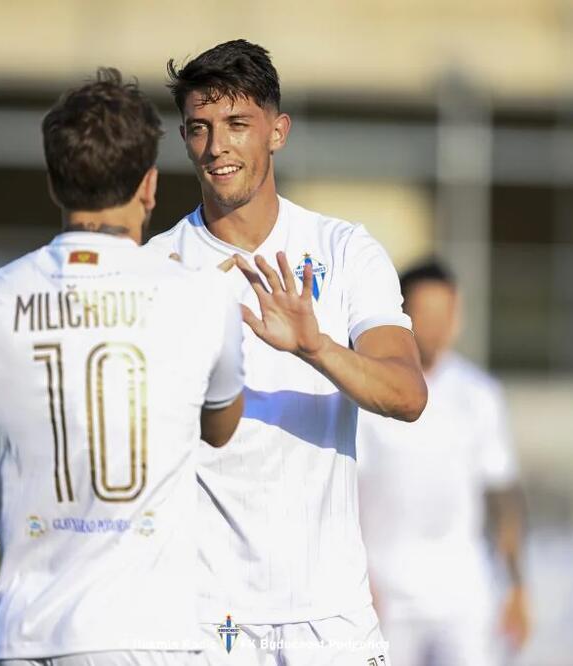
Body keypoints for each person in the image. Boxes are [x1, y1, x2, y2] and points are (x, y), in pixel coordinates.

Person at [0, 68, 246, 666]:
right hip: (145, 635)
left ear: (56, 186)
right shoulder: (203, 298)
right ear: (149, 185)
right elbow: (219, 427)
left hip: (27, 636)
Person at [147, 40, 426, 665]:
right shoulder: (155, 268)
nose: (217, 146)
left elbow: (407, 396)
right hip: (204, 617)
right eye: (200, 128)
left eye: (238, 125)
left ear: (278, 132)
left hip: (332, 616)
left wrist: (315, 346)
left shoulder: (346, 249)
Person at [357, 258, 531, 666]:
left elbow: (503, 493)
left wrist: (519, 586)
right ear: (401, 313)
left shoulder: (479, 394)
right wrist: (359, 580)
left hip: (464, 595)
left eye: (445, 313)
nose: (436, 326)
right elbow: (345, 492)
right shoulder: (366, 391)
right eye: (426, 313)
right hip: (385, 597)